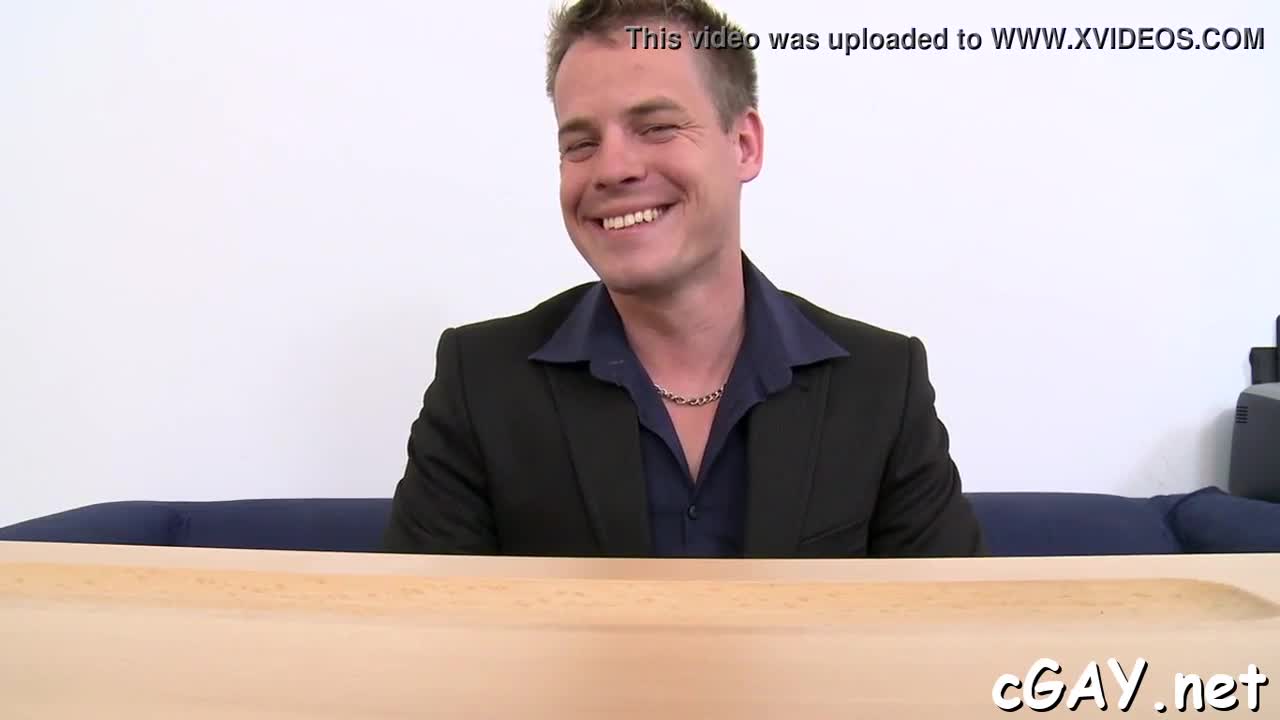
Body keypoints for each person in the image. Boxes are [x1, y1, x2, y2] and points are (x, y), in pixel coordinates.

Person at [382, 0, 987, 558]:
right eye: (581, 143)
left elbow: (954, 624)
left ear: (744, 145)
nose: (612, 168)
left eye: (656, 127)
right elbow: (419, 629)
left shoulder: (881, 384)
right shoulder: (480, 382)